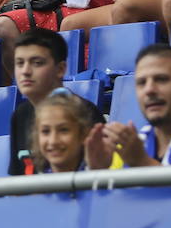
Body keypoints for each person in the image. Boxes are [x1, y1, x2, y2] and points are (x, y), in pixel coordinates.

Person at [7, 28, 103, 174]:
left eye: (37, 63)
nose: (25, 71)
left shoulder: (86, 113)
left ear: (61, 69)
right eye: (19, 63)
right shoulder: (20, 115)